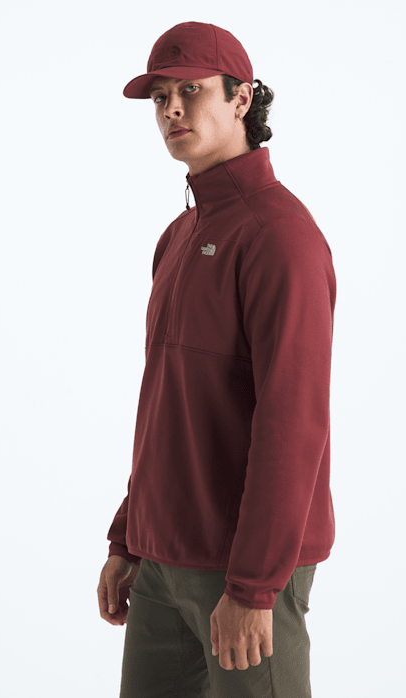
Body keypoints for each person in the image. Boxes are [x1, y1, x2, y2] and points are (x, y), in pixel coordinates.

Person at [96, 21, 337, 697]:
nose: (171, 110)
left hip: (244, 571)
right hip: (161, 560)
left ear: (241, 98)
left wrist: (255, 586)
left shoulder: (280, 237)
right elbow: (167, 405)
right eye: (159, 97)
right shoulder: (180, 235)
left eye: (190, 91)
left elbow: (293, 424)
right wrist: (128, 538)